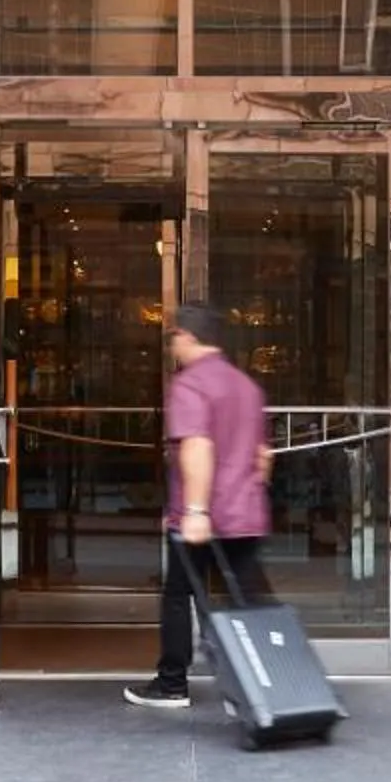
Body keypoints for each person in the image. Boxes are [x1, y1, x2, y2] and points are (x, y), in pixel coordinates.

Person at [125, 302, 273, 712]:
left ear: (188, 337)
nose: (171, 346)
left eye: (173, 337)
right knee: (248, 602)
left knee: (177, 595)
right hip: (246, 515)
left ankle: (172, 683)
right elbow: (263, 457)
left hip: (203, 517)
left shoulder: (190, 385)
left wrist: (194, 510)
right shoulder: (246, 386)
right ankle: (266, 683)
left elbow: (196, 447)